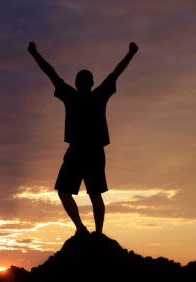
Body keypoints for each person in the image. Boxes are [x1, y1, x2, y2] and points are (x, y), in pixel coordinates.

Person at [28, 41, 138, 237]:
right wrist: (131, 53)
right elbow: (116, 72)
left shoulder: (73, 95)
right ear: (90, 83)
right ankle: (94, 233)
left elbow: (51, 73)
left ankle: (84, 229)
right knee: (92, 194)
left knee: (70, 192)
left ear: (78, 83)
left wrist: (34, 53)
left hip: (80, 151)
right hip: (91, 151)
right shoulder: (95, 95)